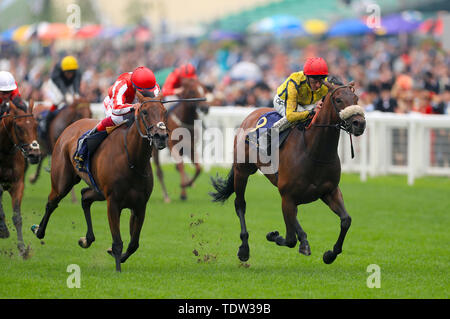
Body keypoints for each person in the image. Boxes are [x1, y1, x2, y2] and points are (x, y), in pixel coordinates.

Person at [73, 66, 160, 168]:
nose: (145, 92)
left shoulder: (152, 85)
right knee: (116, 119)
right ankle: (84, 146)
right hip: (114, 104)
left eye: (147, 90)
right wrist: (133, 107)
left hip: (136, 104)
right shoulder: (122, 84)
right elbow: (116, 109)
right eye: (142, 90)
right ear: (134, 85)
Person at [271, 57, 337, 132]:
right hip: (282, 101)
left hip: (303, 104)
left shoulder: (325, 84)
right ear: (306, 77)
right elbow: (290, 115)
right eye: (314, 81)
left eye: (321, 80)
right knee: (299, 118)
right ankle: (268, 136)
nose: (318, 85)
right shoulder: (295, 81)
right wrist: (311, 112)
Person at [40, 55, 82, 132]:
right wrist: (66, 93)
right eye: (68, 72)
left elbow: (76, 83)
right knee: (58, 99)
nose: (70, 75)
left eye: (72, 72)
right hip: (55, 84)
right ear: (63, 70)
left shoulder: (77, 72)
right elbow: (60, 83)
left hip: (69, 84)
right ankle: (45, 121)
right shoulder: (57, 69)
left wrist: (76, 93)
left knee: (75, 100)